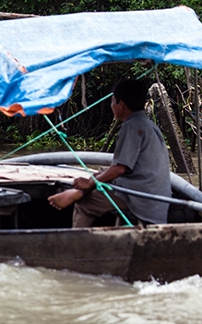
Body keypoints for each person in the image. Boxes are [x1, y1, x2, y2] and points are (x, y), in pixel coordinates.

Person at [48, 79, 171, 227]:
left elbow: (120, 168)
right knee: (99, 178)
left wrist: (90, 182)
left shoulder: (131, 126)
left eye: (113, 100)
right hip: (156, 193)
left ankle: (78, 246)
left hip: (140, 197)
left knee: (85, 205)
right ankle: (80, 192)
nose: (111, 105)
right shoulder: (149, 125)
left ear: (121, 104)